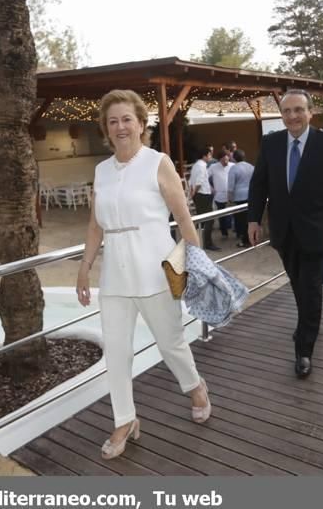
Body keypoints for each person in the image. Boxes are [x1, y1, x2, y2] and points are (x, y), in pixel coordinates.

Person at [76, 90, 211, 460]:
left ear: (140, 123)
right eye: (113, 121)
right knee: (117, 353)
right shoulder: (101, 171)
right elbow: (94, 226)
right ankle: (125, 419)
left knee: (170, 342)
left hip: (155, 268)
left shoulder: (157, 162)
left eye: (127, 119)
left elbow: (183, 218)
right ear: (106, 128)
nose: (120, 126)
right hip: (114, 277)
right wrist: (84, 267)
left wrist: (196, 263)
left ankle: (195, 385)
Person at [247, 89, 323, 378]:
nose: (292, 116)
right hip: (283, 232)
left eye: (298, 110)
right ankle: (307, 323)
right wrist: (253, 220)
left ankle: (304, 349)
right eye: (286, 111)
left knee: (311, 287)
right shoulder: (271, 143)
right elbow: (259, 185)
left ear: (310, 112)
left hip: (318, 231)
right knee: (297, 283)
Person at [189, 147, 220, 250]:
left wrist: (192, 193)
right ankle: (207, 243)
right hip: (203, 195)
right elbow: (199, 181)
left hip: (199, 194)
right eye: (209, 155)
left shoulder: (196, 165)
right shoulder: (202, 166)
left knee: (201, 219)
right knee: (208, 220)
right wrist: (194, 192)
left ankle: (200, 242)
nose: (210, 157)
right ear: (204, 156)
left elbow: (191, 181)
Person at [227, 149, 254, 248]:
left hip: (239, 197)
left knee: (241, 220)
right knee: (250, 218)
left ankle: (245, 240)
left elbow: (231, 186)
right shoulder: (251, 166)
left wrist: (230, 198)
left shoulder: (234, 169)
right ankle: (252, 238)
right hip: (251, 195)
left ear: (234, 158)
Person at [208, 150, 232, 239]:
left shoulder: (232, 166)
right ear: (220, 159)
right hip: (219, 195)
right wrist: (211, 188)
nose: (226, 162)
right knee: (222, 215)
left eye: (227, 160)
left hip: (230, 194)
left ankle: (236, 231)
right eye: (224, 160)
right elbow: (204, 177)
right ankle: (224, 232)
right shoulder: (213, 167)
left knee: (233, 213)